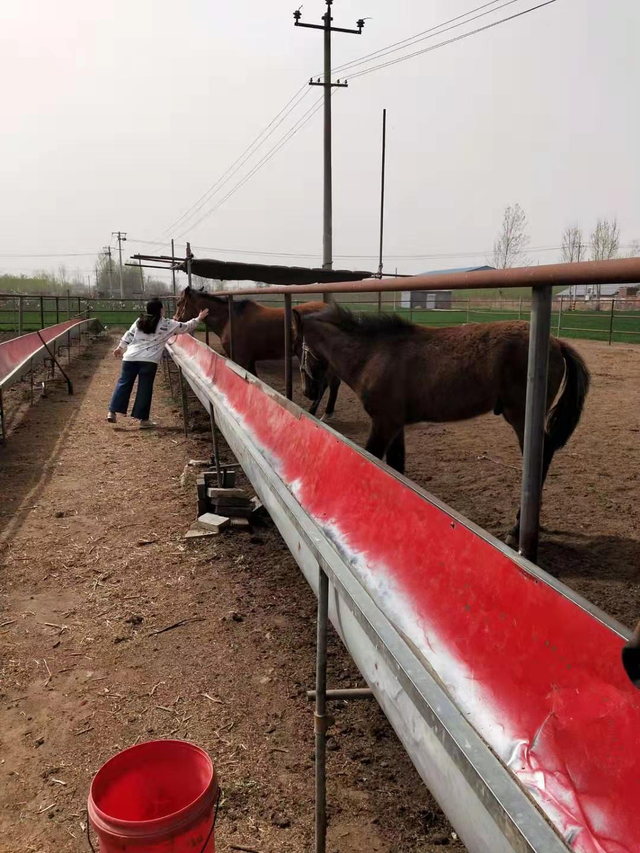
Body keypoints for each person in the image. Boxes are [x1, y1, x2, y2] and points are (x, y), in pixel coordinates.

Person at [107, 297, 208, 428]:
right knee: (145, 389)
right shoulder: (167, 324)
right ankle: (143, 420)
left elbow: (129, 334)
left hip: (130, 358)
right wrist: (199, 318)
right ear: (160, 310)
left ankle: (112, 412)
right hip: (148, 361)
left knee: (124, 383)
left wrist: (120, 347)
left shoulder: (140, 321)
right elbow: (187, 327)